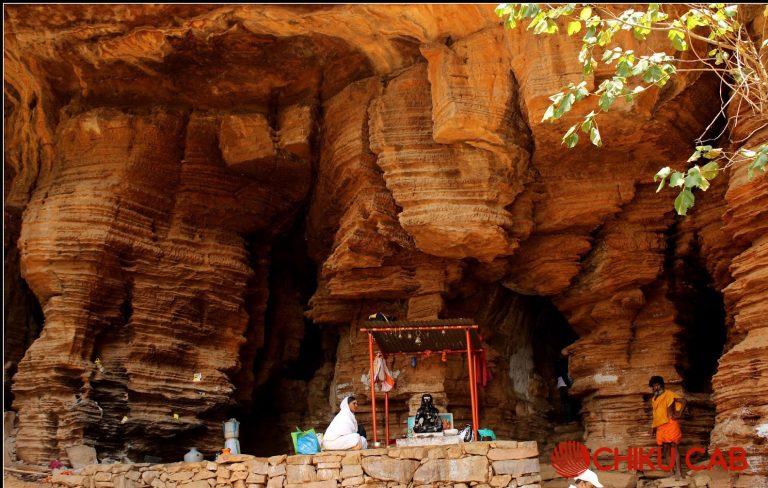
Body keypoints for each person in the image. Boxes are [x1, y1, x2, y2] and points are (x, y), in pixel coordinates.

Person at [649, 375, 687, 479]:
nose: (655, 387)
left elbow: (684, 401)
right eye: (653, 385)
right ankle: (672, 471)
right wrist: (653, 428)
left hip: (670, 424)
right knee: (665, 449)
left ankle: (679, 473)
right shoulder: (654, 399)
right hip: (660, 427)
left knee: (674, 447)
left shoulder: (669, 393)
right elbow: (655, 414)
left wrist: (679, 413)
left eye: (656, 384)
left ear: (660, 384)